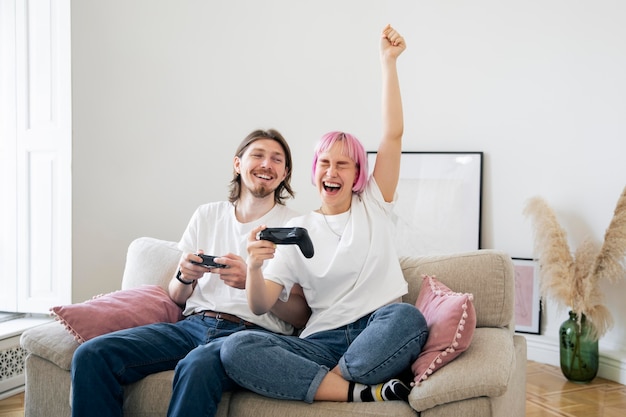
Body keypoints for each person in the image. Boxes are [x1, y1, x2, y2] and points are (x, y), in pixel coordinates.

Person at [221, 25, 428, 404]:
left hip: (376, 330)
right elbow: (260, 304)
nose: (332, 172)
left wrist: (388, 63)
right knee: (236, 348)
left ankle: (328, 384)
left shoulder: (374, 203)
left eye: (343, 165)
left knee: (408, 320)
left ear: (357, 174)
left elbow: (393, 135)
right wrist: (253, 268)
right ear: (314, 170)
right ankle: (360, 391)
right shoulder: (295, 228)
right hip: (320, 342)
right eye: (325, 163)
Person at [70, 129, 311, 417]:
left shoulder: (294, 225)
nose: (266, 164)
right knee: (92, 355)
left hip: (250, 337)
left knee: (195, 365)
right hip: (192, 327)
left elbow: (301, 316)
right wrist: (185, 275)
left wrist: (251, 282)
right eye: (258, 155)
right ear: (237, 164)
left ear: (285, 173)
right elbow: (177, 296)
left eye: (277, 160)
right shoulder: (207, 215)